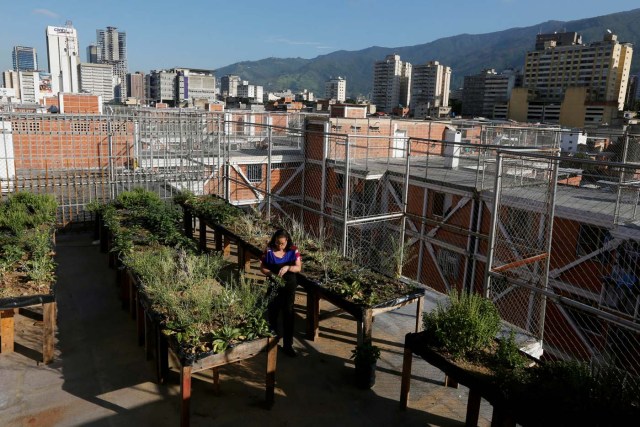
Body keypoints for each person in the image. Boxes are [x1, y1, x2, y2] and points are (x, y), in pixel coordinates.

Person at [260, 229, 302, 357]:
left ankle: (288, 345)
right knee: (272, 311)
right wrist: (271, 274)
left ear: (287, 241)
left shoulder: (293, 250)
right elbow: (262, 267)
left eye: (282, 243)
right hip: (274, 284)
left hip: (289, 285)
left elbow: (298, 267)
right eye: (278, 243)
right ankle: (273, 340)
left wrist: (288, 267)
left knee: (288, 313)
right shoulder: (269, 250)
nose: (280, 246)